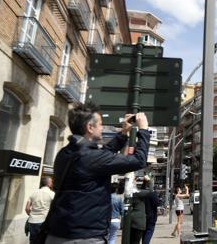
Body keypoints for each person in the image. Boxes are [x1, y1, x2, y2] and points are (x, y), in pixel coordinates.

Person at [45, 103, 150, 244]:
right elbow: (138, 160)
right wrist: (143, 130)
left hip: (58, 232)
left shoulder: (65, 153)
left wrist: (123, 133)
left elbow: (102, 154)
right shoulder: (91, 157)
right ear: (90, 127)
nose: (101, 128)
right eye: (100, 124)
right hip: (84, 237)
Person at [25, 177, 54, 244]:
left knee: (33, 241)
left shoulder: (33, 193)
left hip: (32, 221)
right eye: (51, 182)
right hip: (44, 221)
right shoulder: (52, 194)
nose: (52, 183)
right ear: (49, 183)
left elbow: (27, 208)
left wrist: (32, 215)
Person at [142, 180, 161, 244]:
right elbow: (158, 203)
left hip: (143, 215)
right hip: (151, 216)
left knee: (144, 232)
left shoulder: (141, 193)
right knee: (149, 232)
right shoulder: (152, 194)